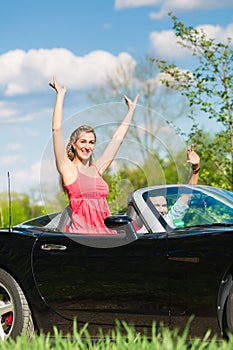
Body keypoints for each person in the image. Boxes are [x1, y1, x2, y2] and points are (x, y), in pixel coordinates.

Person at [49, 77, 139, 234]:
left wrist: (131, 110)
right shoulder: (68, 170)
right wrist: (60, 95)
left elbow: (117, 139)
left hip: (107, 236)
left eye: (91, 143)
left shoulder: (97, 169)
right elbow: (56, 130)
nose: (87, 146)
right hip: (83, 237)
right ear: (74, 145)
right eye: (83, 142)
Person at [149, 144, 200, 228]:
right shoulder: (140, 230)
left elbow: (187, 195)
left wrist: (195, 169)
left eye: (164, 206)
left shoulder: (169, 221)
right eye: (157, 206)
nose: (162, 210)